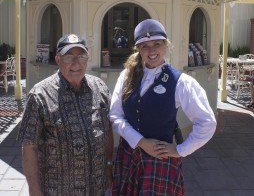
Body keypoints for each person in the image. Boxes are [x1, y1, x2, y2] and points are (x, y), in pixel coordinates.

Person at [109, 19, 217, 195]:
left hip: (159, 161)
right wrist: (141, 142)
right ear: (138, 49)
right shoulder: (127, 76)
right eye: (145, 46)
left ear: (166, 46)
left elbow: (207, 122)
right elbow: (115, 116)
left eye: (157, 44)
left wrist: (180, 150)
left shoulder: (181, 82)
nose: (151, 50)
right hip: (129, 154)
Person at [17, 34, 113, 196]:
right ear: (58, 59)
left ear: (87, 59)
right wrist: (34, 189)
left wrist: (109, 164)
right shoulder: (40, 95)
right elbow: (29, 145)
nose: (76, 63)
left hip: (95, 187)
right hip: (58, 190)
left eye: (81, 56)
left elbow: (108, 129)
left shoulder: (99, 87)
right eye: (69, 57)